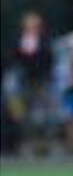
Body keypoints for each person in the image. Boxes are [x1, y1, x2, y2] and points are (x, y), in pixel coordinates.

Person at [11, 11, 57, 155]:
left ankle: (48, 145)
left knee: (49, 115)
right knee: (25, 116)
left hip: (43, 81)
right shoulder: (19, 40)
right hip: (26, 82)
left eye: (34, 25)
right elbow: (14, 60)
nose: (31, 27)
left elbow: (50, 59)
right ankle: (27, 145)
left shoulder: (45, 40)